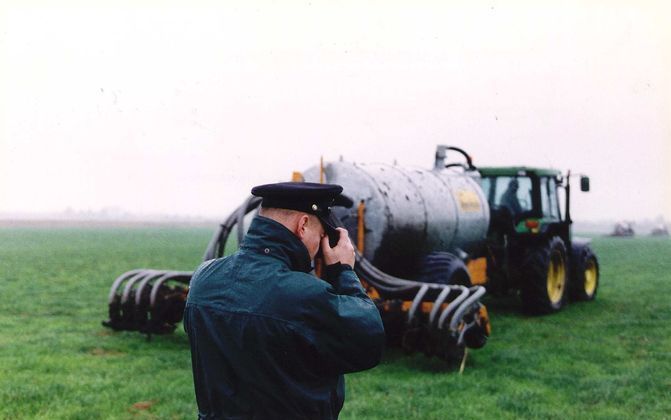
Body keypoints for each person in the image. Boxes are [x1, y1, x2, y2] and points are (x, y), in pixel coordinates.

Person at [183, 182, 385, 420]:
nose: (318, 247)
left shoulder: (203, 278)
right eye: (320, 236)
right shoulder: (305, 295)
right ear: (303, 225)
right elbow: (368, 341)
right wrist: (343, 271)